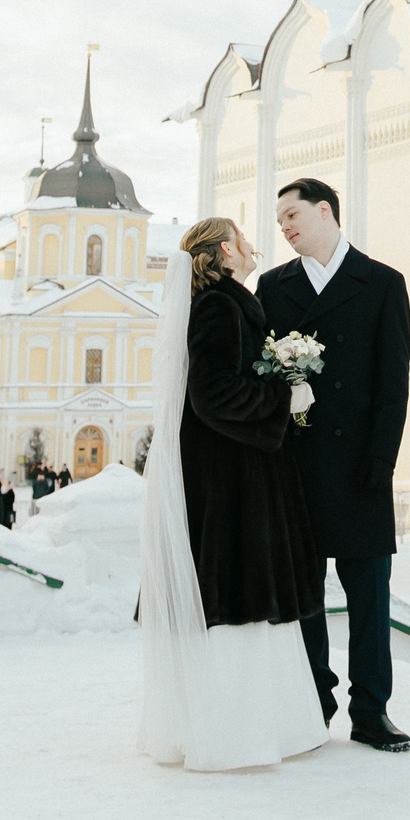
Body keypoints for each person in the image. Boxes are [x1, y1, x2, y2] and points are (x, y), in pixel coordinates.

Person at [137, 215, 327, 772]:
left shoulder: (225, 301)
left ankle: (250, 727)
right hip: (230, 485)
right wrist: (281, 400)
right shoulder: (220, 306)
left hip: (236, 477)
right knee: (239, 604)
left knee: (243, 604)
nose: (252, 245)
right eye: (243, 238)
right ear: (226, 250)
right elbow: (213, 393)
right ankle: (232, 734)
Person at [258, 178, 410, 754]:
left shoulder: (381, 283)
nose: (285, 227)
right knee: (304, 597)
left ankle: (372, 711)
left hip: (361, 467)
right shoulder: (273, 286)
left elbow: (393, 382)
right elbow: (264, 374)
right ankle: (312, 704)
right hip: (295, 466)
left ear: (325, 211)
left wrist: (381, 460)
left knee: (370, 597)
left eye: (292, 214)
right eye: (279, 221)